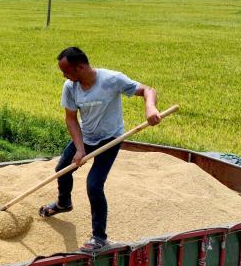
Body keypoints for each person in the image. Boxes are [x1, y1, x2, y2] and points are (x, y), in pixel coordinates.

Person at [39, 47, 161, 252]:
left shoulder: (112, 79)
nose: (64, 76)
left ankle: (99, 237)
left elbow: (148, 90)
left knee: (94, 185)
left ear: (80, 67)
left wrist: (150, 107)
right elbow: (71, 119)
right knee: (62, 169)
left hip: (110, 139)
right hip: (86, 137)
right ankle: (63, 203)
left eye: (66, 71)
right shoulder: (70, 87)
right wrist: (80, 149)